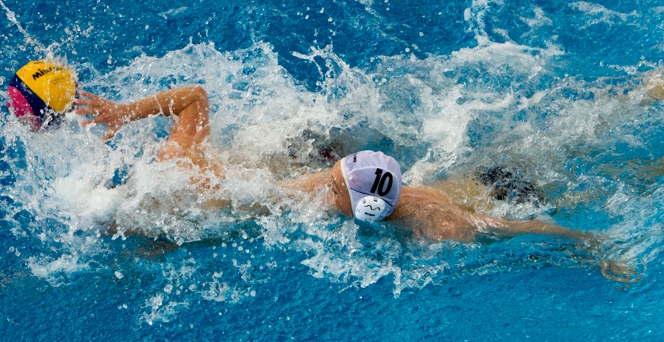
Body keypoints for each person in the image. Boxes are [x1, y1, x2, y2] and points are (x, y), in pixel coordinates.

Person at [74, 84, 593, 245]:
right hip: (471, 181)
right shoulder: (184, 167)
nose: (324, 183)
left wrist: (589, 244)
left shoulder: (438, 223)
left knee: (583, 170)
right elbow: (193, 98)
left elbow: (518, 228)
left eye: (334, 182)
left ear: (364, 204)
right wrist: (122, 112)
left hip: (502, 193)